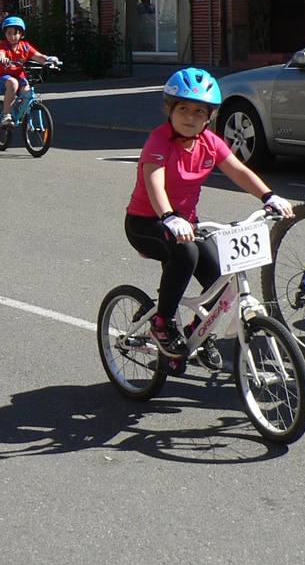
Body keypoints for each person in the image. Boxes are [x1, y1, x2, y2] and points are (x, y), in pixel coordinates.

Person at [125, 68, 293, 364]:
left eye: (198, 111)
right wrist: (168, 216)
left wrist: (269, 196)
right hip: (146, 222)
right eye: (183, 109)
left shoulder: (209, 142)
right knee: (186, 254)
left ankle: (195, 334)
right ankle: (162, 323)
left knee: (220, 277)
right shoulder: (159, 141)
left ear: (209, 116)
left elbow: (238, 171)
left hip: (185, 224)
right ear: (169, 109)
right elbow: (155, 182)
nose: (190, 117)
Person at [0, 16, 57, 125]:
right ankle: (7, 115)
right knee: (13, 83)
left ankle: (21, 110)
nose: (12, 36)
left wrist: (49, 60)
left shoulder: (25, 47)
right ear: (5, 34)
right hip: (2, 77)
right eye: (9, 33)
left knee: (28, 92)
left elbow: (38, 56)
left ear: (21, 34)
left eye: (16, 33)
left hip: (19, 76)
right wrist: (1, 58)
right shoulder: (3, 45)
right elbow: (0, 53)